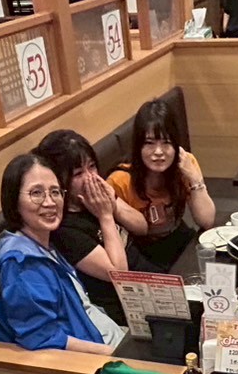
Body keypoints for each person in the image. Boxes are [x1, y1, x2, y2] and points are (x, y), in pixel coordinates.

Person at [0, 153, 125, 353]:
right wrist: (114, 355)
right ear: (14, 200)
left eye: (55, 192)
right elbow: (42, 337)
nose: (50, 202)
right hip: (97, 358)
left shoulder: (45, 243)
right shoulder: (22, 264)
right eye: (36, 193)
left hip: (108, 336)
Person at [34, 128, 153, 324]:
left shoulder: (97, 196)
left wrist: (113, 205)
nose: (91, 178)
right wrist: (105, 216)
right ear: (58, 180)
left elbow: (142, 226)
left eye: (92, 167)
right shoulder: (64, 229)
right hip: (127, 311)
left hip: (153, 281)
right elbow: (119, 274)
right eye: (78, 173)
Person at [107, 99, 216, 269]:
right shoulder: (120, 181)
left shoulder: (185, 164)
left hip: (176, 236)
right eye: (149, 143)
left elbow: (207, 221)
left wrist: (195, 179)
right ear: (138, 146)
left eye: (166, 142)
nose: (158, 152)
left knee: (218, 266)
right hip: (141, 251)